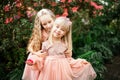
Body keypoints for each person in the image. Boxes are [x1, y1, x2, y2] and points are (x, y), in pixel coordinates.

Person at [22, 8, 55, 80]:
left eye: (49, 22)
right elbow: (30, 47)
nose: (48, 26)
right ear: (41, 25)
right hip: (40, 58)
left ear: (53, 19)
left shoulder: (57, 30)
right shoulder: (42, 33)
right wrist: (36, 53)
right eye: (44, 24)